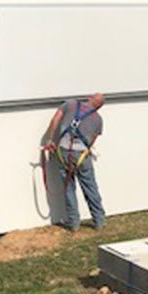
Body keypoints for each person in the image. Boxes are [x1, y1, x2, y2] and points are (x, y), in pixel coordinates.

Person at [46, 92, 105, 231]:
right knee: (90, 188)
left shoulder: (70, 104)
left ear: (90, 98)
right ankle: (99, 221)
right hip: (81, 156)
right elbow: (92, 140)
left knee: (68, 188)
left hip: (63, 152)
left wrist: (50, 139)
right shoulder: (98, 119)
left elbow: (55, 120)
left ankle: (73, 223)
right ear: (98, 107)